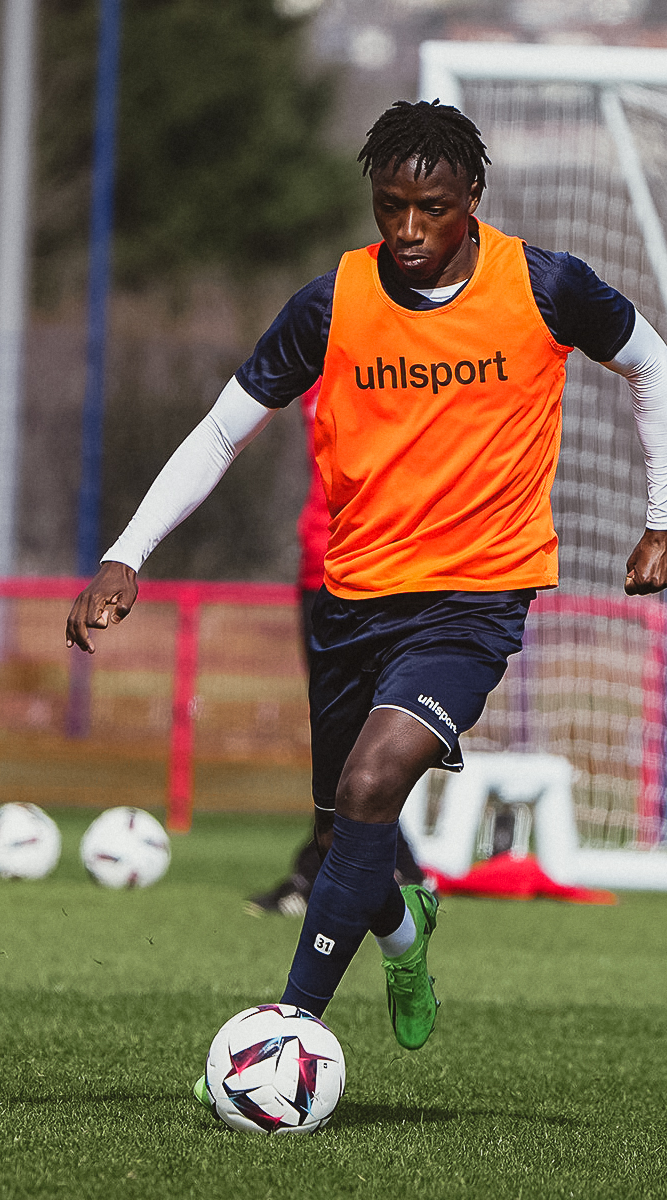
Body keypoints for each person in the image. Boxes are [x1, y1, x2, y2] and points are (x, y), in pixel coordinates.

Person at [66, 100, 667, 1077]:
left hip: (476, 598)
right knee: (344, 829)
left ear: (472, 198)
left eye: (430, 208)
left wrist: (666, 520)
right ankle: (404, 934)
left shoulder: (545, 286)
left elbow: (651, 365)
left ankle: (289, 1030)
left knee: (367, 787)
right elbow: (223, 431)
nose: (406, 228)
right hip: (352, 600)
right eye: (389, 205)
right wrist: (126, 553)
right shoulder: (332, 303)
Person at [245, 377, 428, 917]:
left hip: (393, 568)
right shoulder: (316, 353)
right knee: (336, 733)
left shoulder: (410, 352)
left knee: (377, 731)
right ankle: (368, 868)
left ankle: (369, 869)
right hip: (320, 567)